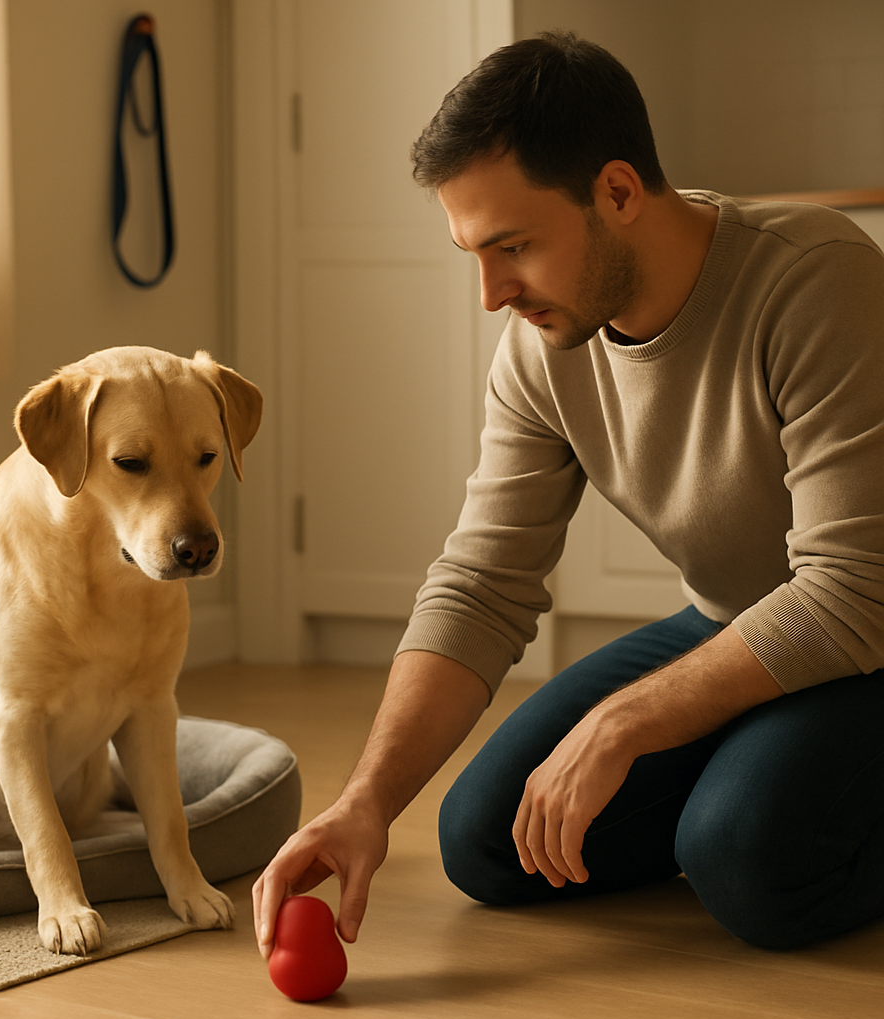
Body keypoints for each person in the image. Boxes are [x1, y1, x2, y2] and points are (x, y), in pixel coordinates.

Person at [253, 30, 884, 957]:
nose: (491, 292)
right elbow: (481, 583)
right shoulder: (544, 350)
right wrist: (365, 804)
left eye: (513, 245)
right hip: (733, 617)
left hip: (870, 628)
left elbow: (851, 590)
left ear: (618, 192)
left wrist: (629, 721)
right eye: (472, 251)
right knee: (487, 842)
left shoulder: (814, 279)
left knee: (748, 864)